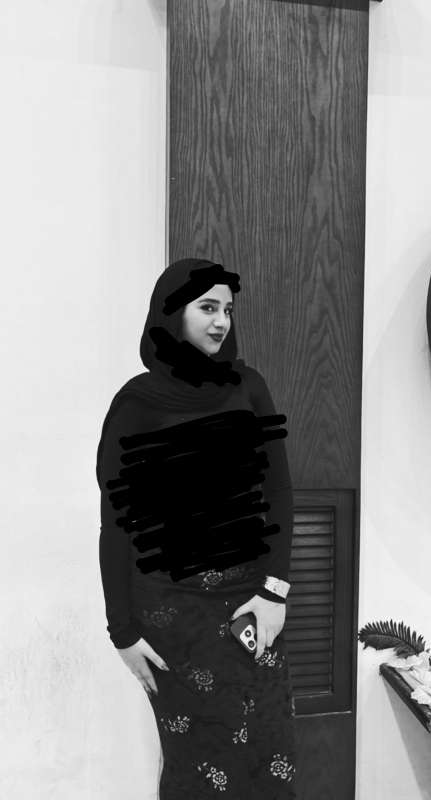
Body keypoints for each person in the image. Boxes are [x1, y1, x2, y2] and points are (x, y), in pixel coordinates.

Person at [96, 258, 297, 798]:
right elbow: (116, 526)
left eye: (227, 309)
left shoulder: (249, 389)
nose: (221, 321)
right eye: (207, 307)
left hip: (250, 606)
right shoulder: (137, 404)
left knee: (271, 754)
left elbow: (279, 493)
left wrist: (274, 591)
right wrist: (122, 632)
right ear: (172, 314)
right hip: (171, 615)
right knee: (198, 768)